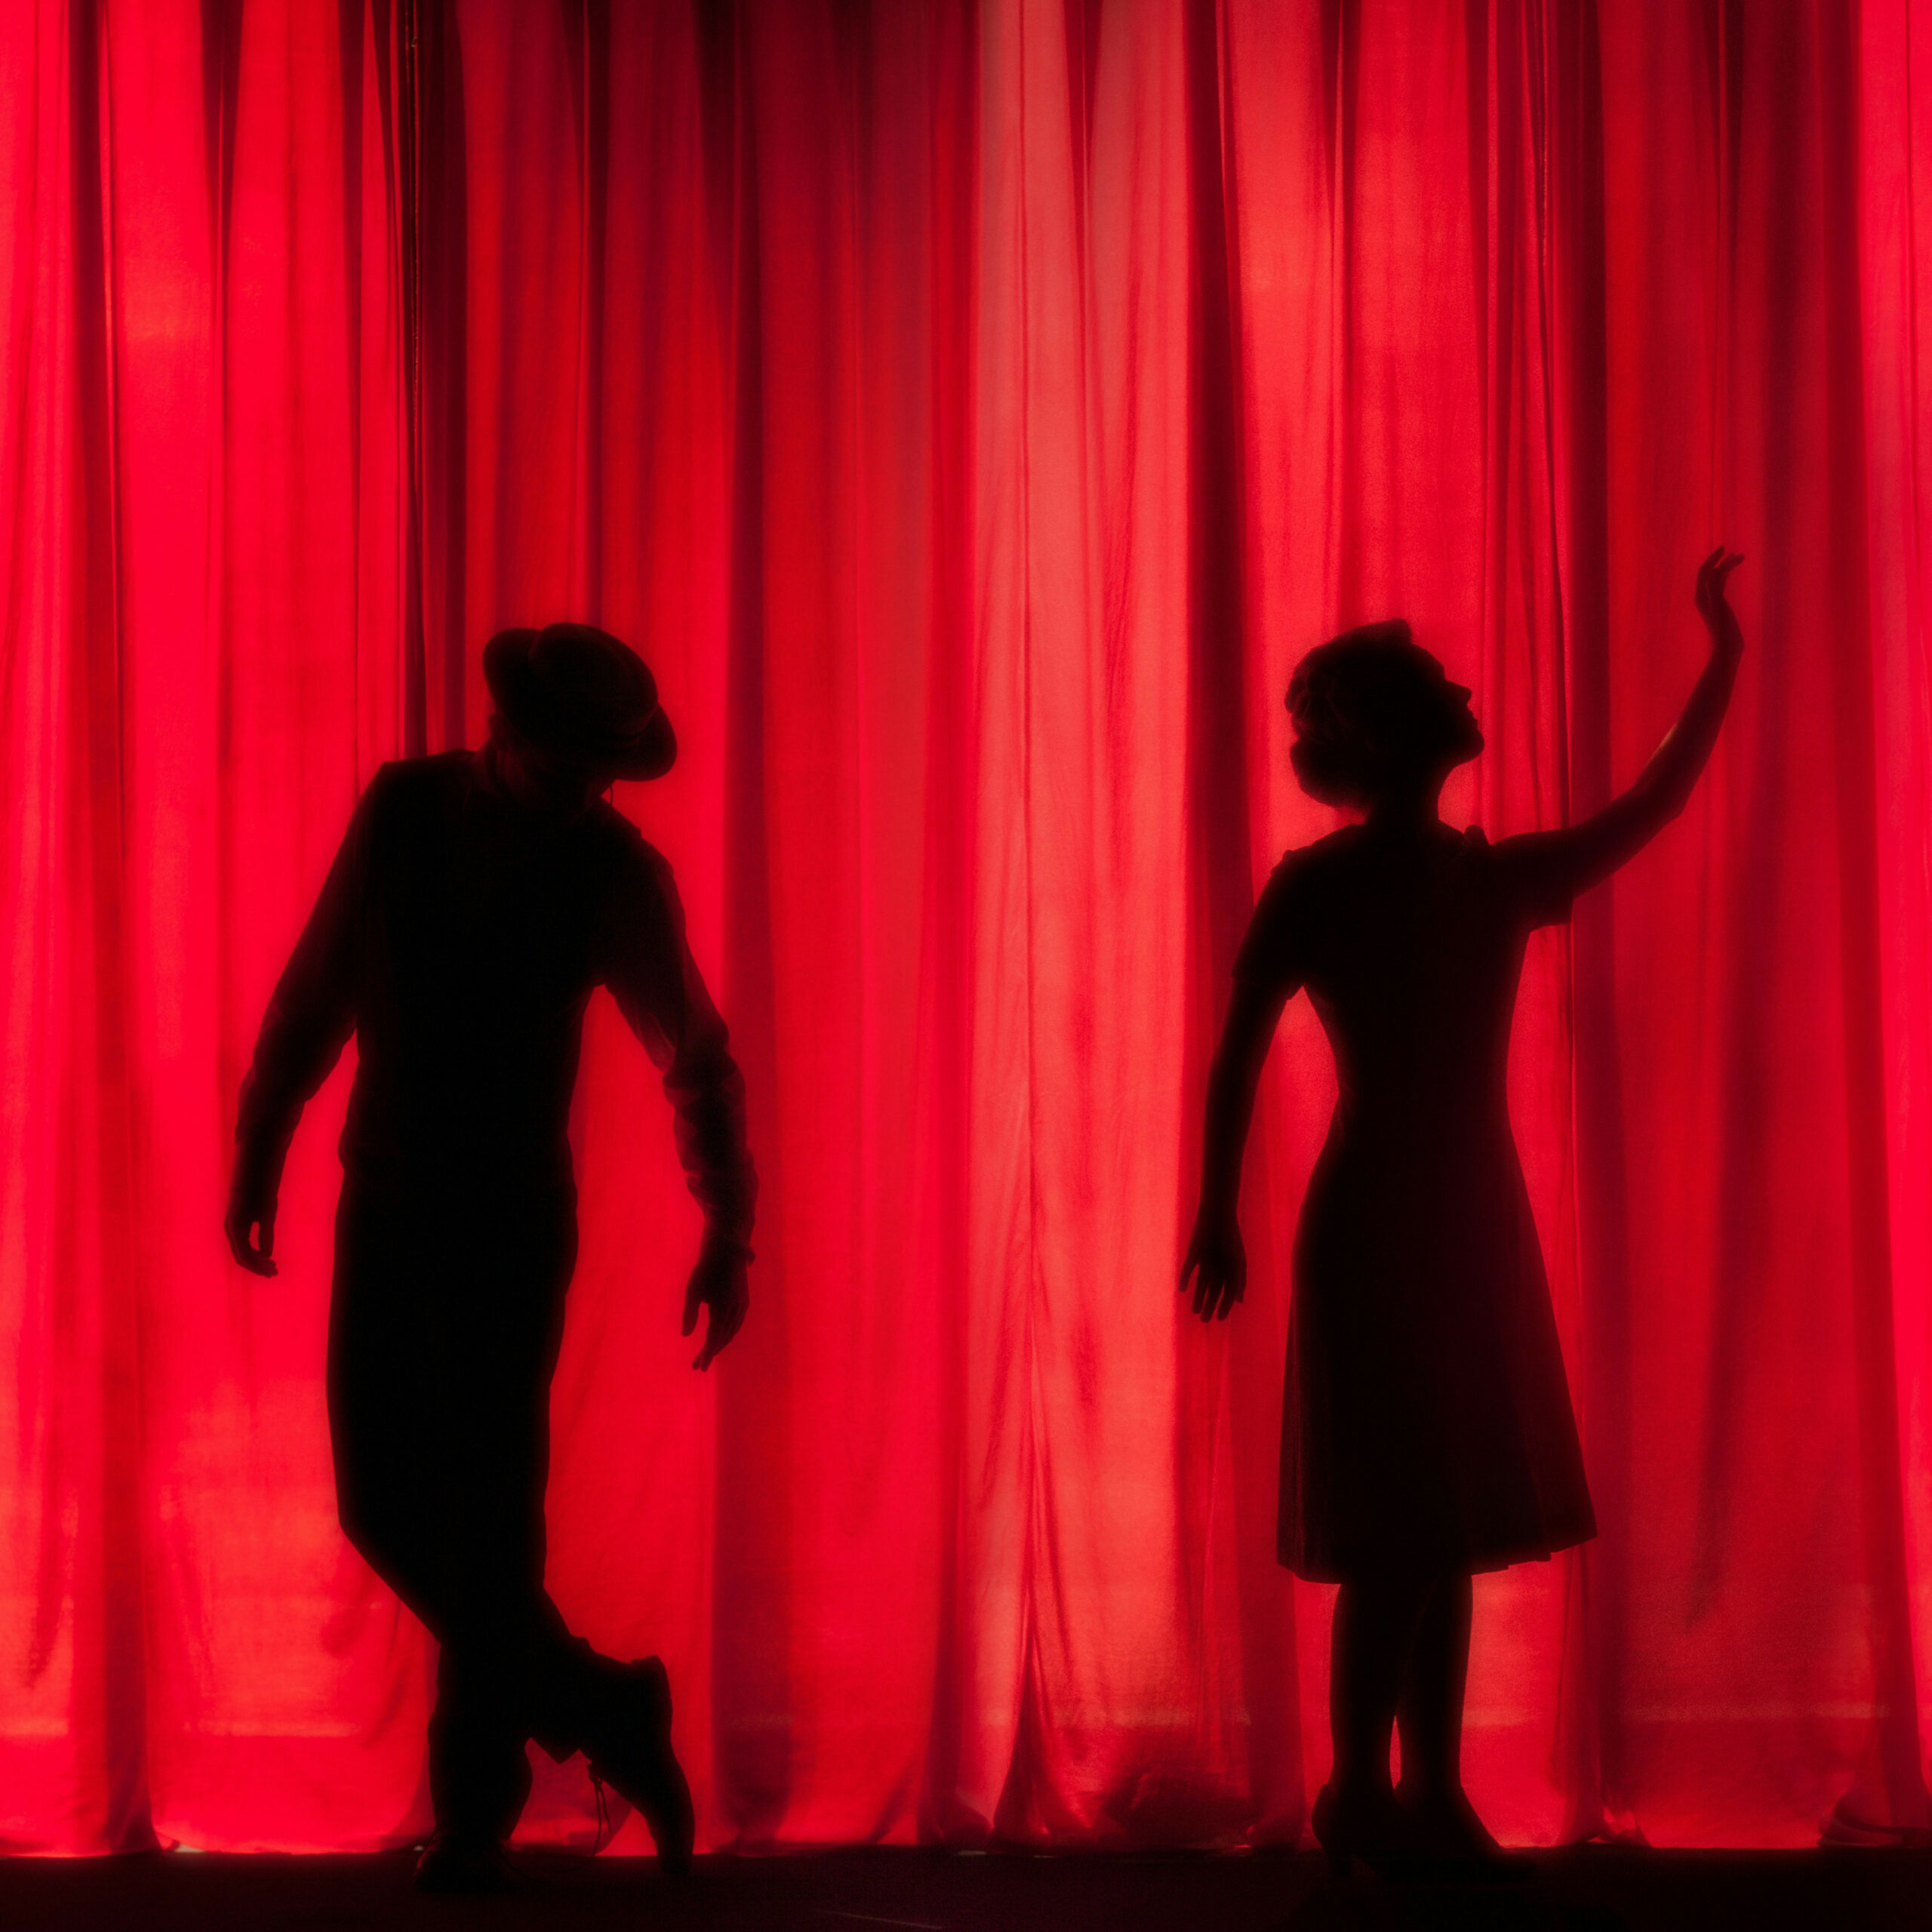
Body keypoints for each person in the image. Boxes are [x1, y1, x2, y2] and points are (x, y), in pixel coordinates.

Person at [1180, 549, 1746, 1878]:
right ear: (1382, 732)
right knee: (1399, 1528)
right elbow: (1237, 1051)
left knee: (1443, 1529)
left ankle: (1426, 1794)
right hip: (1377, 1224)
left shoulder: (1489, 877)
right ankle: (1358, 1797)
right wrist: (1214, 1211)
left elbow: (1654, 806)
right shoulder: (1323, 886)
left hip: (1466, 1221)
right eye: (1434, 682)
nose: (1463, 686)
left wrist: (1721, 655)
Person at [224, 623, 755, 1894]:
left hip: (512, 1218)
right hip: (391, 1195)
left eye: (598, 773)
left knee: (488, 1526)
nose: (581, 791)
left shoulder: (613, 870)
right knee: (386, 1506)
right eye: (565, 763)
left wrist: (727, 1226)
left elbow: (694, 1056)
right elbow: (319, 987)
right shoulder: (405, 809)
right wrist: (262, 1139)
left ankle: (477, 1811)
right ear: (505, 730)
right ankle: (605, 1708)